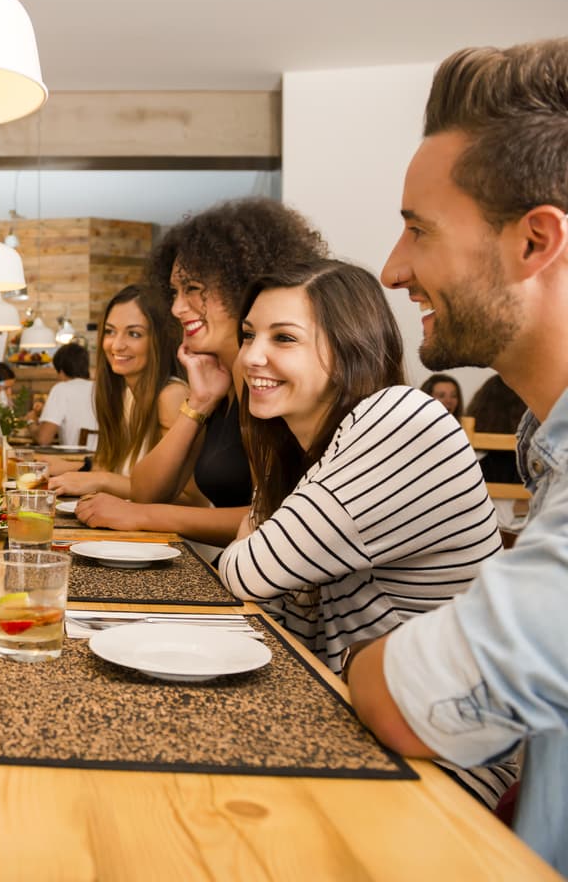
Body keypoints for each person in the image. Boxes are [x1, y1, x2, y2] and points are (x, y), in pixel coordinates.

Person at [347, 38, 568, 874]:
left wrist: (379, 660)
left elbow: (404, 704)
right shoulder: (547, 448)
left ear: (534, 242)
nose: (393, 268)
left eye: (417, 230)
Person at [217, 260, 513, 808]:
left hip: (440, 760)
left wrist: (252, 540)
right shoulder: (308, 457)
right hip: (354, 724)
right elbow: (273, 626)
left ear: (352, 347)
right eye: (249, 335)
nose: (251, 356)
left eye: (284, 338)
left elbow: (247, 571)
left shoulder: (402, 417)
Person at [76, 198, 327, 549]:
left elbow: (270, 517)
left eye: (193, 289)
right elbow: (147, 490)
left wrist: (142, 517)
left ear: (245, 284)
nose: (177, 308)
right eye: (175, 292)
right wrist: (199, 403)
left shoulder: (270, 381)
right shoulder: (219, 383)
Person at [48, 285, 187, 496]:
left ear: (159, 339)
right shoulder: (124, 393)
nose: (117, 345)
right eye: (110, 331)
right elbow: (113, 467)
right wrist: (69, 468)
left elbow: (187, 499)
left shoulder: (172, 396)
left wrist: (100, 480)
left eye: (134, 334)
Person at [34, 343, 98, 449]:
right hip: (107, 461)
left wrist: (30, 422)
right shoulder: (101, 388)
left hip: (76, 462)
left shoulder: (62, 388)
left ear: (61, 371)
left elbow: (43, 439)